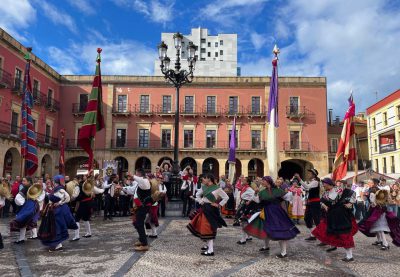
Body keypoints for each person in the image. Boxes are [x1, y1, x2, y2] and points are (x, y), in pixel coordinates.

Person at [244, 176, 299, 258]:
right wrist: (255, 193)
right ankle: (266, 246)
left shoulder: (277, 190)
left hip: (277, 212)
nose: (262, 182)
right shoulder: (262, 192)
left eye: (263, 181)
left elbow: (287, 197)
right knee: (266, 229)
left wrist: (293, 192)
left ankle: (284, 252)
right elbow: (257, 200)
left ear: (268, 181)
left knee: (280, 230)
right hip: (266, 212)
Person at [312, 178, 358, 262]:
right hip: (332, 216)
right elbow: (321, 201)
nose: (323, 186)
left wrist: (350, 203)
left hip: (342, 215)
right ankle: (346, 254)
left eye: (324, 184)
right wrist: (324, 206)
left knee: (345, 234)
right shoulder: (326, 194)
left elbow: (352, 193)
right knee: (334, 233)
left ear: (329, 184)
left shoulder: (340, 190)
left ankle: (350, 256)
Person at [187, 173, 229, 256]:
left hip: (212, 210)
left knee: (209, 229)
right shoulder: (204, 187)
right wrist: (201, 201)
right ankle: (209, 248)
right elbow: (197, 196)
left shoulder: (217, 189)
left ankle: (210, 250)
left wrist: (219, 204)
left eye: (204, 178)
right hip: (204, 209)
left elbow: (226, 197)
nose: (203, 180)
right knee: (205, 228)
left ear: (209, 179)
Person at [40, 175, 78, 252]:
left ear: (56, 181)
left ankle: (58, 245)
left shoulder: (60, 189)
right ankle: (58, 245)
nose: (52, 182)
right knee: (56, 227)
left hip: (58, 211)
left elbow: (67, 198)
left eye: (54, 180)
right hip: (54, 210)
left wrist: (59, 203)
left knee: (57, 227)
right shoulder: (55, 189)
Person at [10, 178, 44, 243]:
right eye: (22, 180)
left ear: (29, 181)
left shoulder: (26, 187)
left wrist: (24, 204)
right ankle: (25, 238)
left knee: (23, 222)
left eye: (24, 181)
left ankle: (23, 238)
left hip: (27, 208)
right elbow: (40, 196)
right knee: (29, 222)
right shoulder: (31, 187)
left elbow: (18, 198)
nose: (23, 182)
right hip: (32, 207)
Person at [71, 172, 98, 241]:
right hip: (89, 203)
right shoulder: (89, 185)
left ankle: (77, 236)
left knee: (76, 219)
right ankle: (88, 233)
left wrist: (72, 199)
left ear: (78, 179)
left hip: (82, 204)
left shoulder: (79, 186)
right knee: (86, 219)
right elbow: (96, 191)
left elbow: (75, 196)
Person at [132, 168, 152, 251]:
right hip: (139, 206)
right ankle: (141, 239)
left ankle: (144, 244)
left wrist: (132, 176)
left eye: (136, 174)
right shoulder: (140, 183)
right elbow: (133, 190)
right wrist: (122, 188)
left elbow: (139, 179)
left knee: (139, 224)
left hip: (143, 206)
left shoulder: (145, 181)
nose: (135, 175)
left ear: (139, 174)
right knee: (137, 223)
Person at [298, 169, 321, 240]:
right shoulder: (311, 182)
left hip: (315, 203)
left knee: (317, 219)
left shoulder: (315, 182)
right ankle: (313, 235)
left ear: (313, 175)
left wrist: (299, 179)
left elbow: (307, 187)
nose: (308, 175)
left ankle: (321, 236)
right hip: (310, 202)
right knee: (307, 218)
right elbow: (306, 188)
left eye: (309, 173)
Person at [235, 178, 256, 244]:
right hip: (243, 205)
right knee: (245, 222)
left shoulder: (249, 189)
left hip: (246, 207)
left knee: (243, 222)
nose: (242, 181)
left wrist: (249, 201)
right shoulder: (244, 188)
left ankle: (243, 239)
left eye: (244, 180)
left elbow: (254, 195)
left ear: (247, 182)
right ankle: (248, 236)